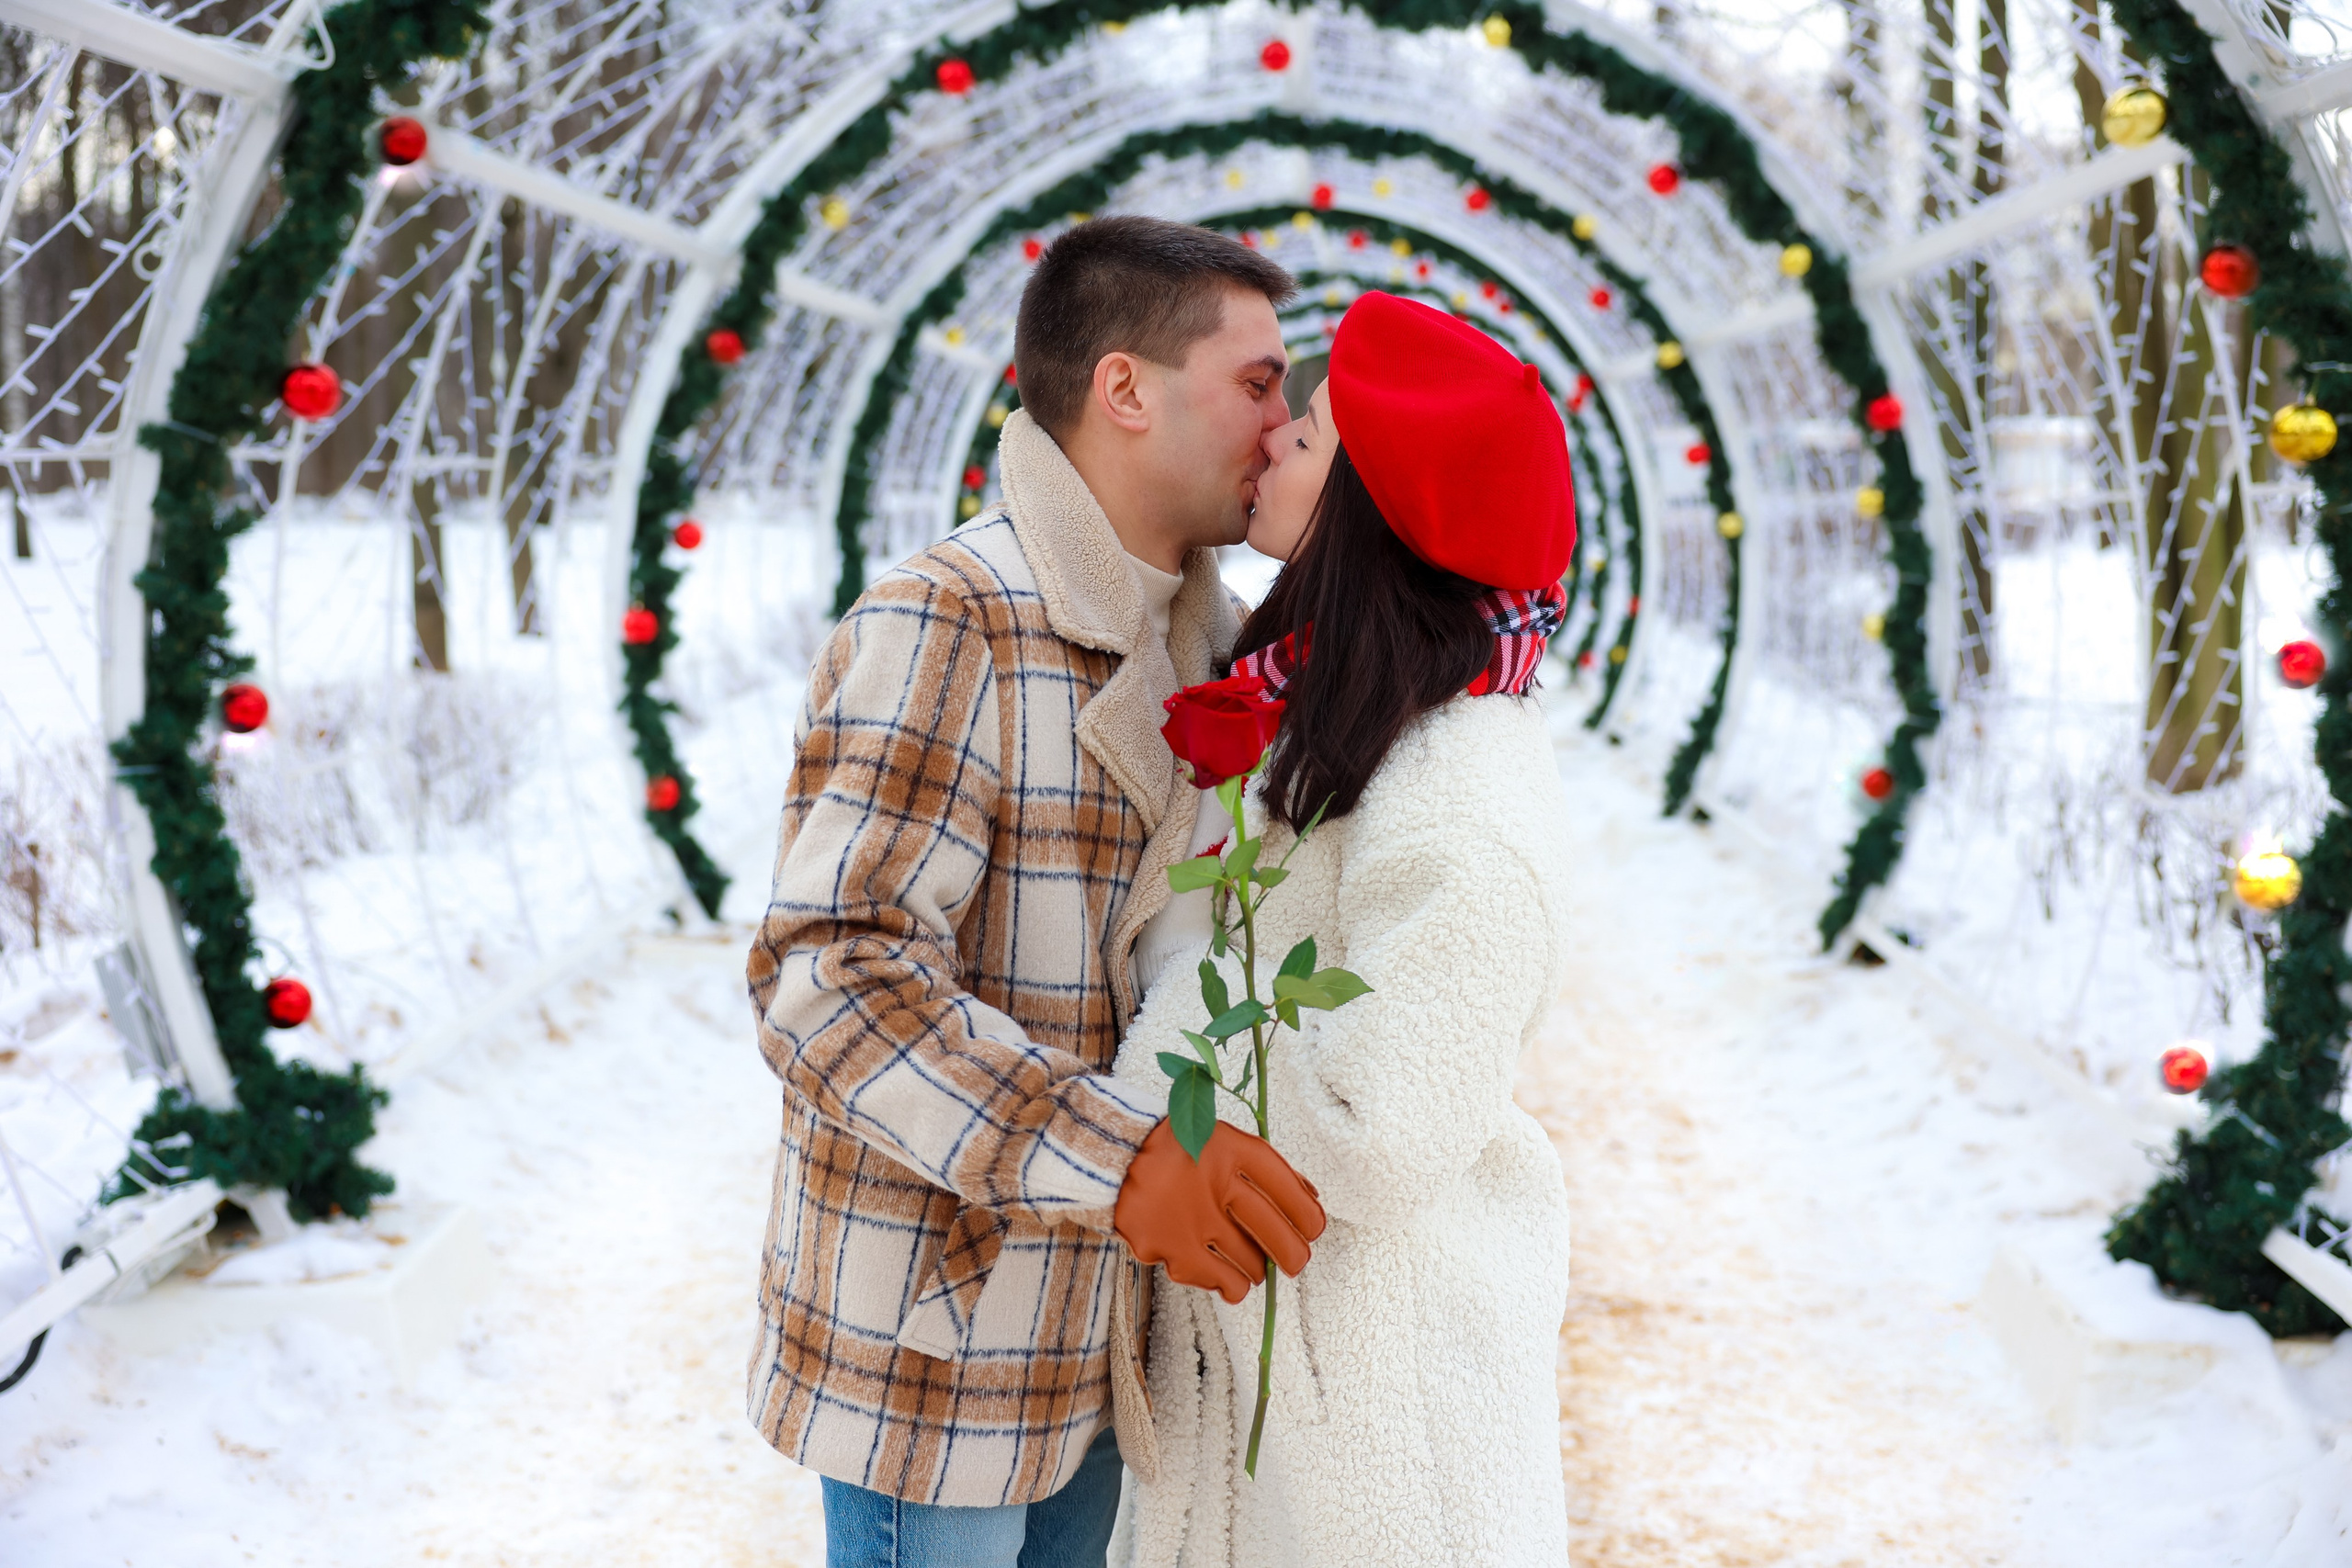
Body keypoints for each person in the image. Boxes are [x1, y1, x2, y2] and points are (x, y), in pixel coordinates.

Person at [745, 216, 1333, 1568]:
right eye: (1257, 382)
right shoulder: (952, 615)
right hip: (943, 1341)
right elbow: (832, 979)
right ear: (1126, 388)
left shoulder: (1213, 642)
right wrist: (1125, 1161)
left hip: (1104, 1332)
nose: (1283, 418)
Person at [1110, 292, 1579, 1567]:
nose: (1271, 444)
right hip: (1290, 1365)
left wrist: (1157, 1088)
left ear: (1371, 511)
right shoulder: (1330, 707)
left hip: (1382, 1407)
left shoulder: (1461, 781)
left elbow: (1390, 1122)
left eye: (1306, 436)